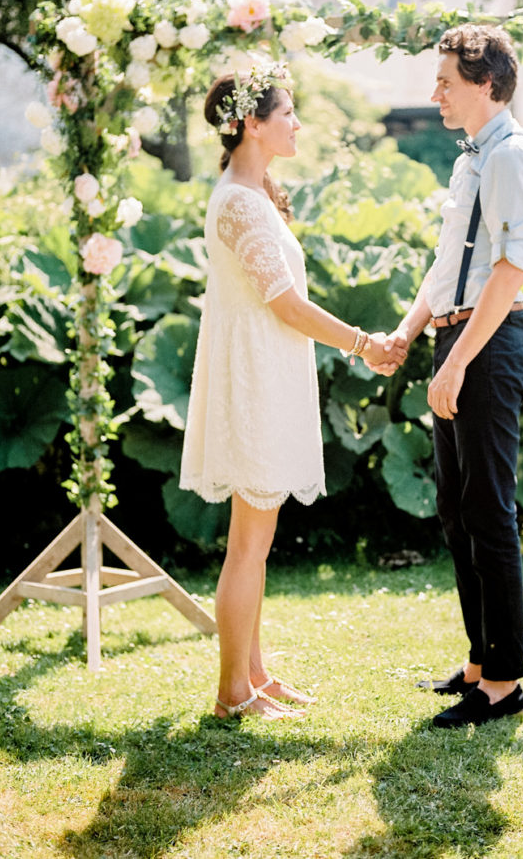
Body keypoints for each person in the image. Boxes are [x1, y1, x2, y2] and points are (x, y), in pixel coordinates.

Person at [180, 63, 405, 721]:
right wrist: (365, 343)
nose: (299, 123)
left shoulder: (250, 192)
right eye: (288, 114)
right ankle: (232, 694)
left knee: (259, 537)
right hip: (254, 379)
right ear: (252, 124)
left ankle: (255, 674)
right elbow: (286, 304)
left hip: (267, 372)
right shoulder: (240, 203)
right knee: (247, 544)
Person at [372, 23, 523, 728]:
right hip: (456, 337)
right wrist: (409, 331)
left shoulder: (514, 158)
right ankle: (481, 662)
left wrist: (456, 361)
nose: (435, 93)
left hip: (490, 341)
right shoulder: (469, 161)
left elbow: (509, 273)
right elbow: (451, 268)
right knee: (456, 508)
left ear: (486, 84)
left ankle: (504, 684)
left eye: (446, 81)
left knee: (489, 511)